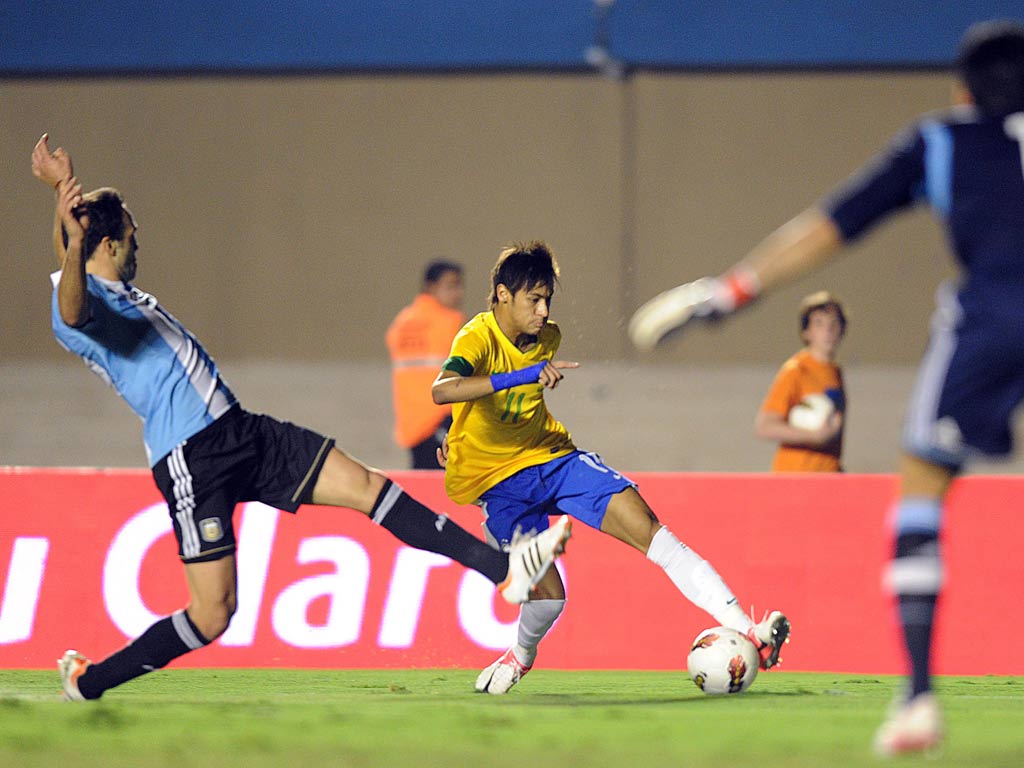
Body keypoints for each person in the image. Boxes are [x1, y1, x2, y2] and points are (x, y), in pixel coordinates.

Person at [31, 134, 571, 701]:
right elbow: (71, 301)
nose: (138, 246)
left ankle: (505, 571)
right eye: (131, 238)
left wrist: (62, 194)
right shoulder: (80, 310)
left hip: (242, 431)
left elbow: (76, 248)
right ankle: (91, 682)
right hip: (193, 458)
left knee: (368, 486)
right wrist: (71, 235)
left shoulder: (115, 287)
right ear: (110, 244)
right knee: (214, 615)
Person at [628, 19, 1024, 756]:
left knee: (922, 483)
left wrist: (732, 291)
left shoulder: (945, 139)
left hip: (996, 320)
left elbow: (831, 225)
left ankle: (917, 700)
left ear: (963, 90)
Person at [432, 240, 790, 695]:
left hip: (552, 457)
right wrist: (463, 432)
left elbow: (491, 403)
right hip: (497, 484)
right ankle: (520, 656)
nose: (543, 311)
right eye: (533, 299)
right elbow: (443, 390)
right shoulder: (475, 336)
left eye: (548, 300)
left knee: (651, 529)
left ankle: (750, 632)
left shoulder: (548, 337)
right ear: (502, 294)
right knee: (549, 599)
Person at [755, 291, 847, 472]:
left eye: (833, 324)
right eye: (819, 324)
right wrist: (813, 436)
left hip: (828, 480)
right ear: (807, 332)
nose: (827, 331)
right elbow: (765, 426)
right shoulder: (796, 370)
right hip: (796, 477)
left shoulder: (836, 373)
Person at [386, 260, 465, 468]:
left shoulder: (401, 323)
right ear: (430, 287)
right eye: (451, 286)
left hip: (412, 425)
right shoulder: (450, 322)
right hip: (442, 418)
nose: (458, 293)